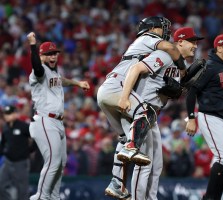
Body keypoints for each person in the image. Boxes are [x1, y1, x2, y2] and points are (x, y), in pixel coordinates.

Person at [97, 16, 187, 199]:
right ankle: (131, 147)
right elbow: (169, 48)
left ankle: (117, 183)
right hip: (118, 89)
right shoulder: (149, 39)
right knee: (144, 113)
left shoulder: (140, 46)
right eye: (162, 28)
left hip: (107, 91)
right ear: (153, 29)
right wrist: (182, 68)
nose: (165, 32)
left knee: (124, 138)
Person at [119, 26, 203, 200]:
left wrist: (180, 89)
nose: (195, 46)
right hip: (141, 111)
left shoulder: (181, 66)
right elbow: (135, 69)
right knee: (144, 163)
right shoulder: (164, 56)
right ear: (180, 41)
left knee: (156, 165)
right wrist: (124, 97)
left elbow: (171, 91)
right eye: (192, 42)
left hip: (152, 114)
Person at [27, 32, 90, 200]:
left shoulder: (54, 73)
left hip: (57, 123)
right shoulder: (38, 72)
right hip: (45, 120)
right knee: (53, 162)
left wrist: (77, 83)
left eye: (54, 53)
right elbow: (36, 67)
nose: (53, 56)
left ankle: (53, 197)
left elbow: (61, 80)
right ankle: (41, 196)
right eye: (48, 54)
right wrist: (33, 45)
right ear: (41, 56)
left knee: (61, 163)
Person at [185, 33, 223, 200]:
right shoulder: (209, 67)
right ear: (220, 47)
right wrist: (191, 118)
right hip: (210, 116)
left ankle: (214, 197)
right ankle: (209, 198)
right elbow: (191, 92)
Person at [0, 105, 35, 200]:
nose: (7, 116)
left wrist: (30, 150)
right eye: (6, 114)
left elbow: (36, 137)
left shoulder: (23, 126)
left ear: (15, 114)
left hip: (21, 162)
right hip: (8, 162)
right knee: (1, 185)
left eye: (9, 113)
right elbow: (3, 143)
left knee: (22, 190)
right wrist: (4, 151)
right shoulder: (5, 128)